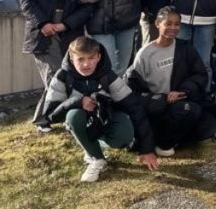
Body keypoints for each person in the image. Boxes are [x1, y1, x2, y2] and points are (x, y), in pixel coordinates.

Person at [38, 37, 158, 183]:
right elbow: (51, 115)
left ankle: (93, 144)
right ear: (71, 57)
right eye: (80, 59)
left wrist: (147, 149)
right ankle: (97, 158)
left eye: (91, 58)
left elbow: (134, 108)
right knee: (74, 115)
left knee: (124, 134)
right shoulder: (62, 76)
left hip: (106, 119)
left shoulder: (108, 76)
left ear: (99, 57)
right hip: (80, 122)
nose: (86, 64)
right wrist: (78, 102)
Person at [21, 0, 95, 132]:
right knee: (55, 76)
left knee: (66, 76)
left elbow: (88, 7)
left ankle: (48, 118)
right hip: (42, 34)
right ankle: (46, 119)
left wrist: (66, 24)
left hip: (69, 33)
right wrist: (43, 23)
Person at [126, 7, 216, 156]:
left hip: (177, 103)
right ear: (157, 24)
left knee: (202, 120)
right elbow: (133, 89)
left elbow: (200, 74)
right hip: (155, 106)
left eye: (177, 24)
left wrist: (183, 91)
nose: (173, 28)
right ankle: (161, 139)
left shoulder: (185, 48)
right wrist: (156, 100)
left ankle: (165, 144)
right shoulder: (144, 54)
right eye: (168, 24)